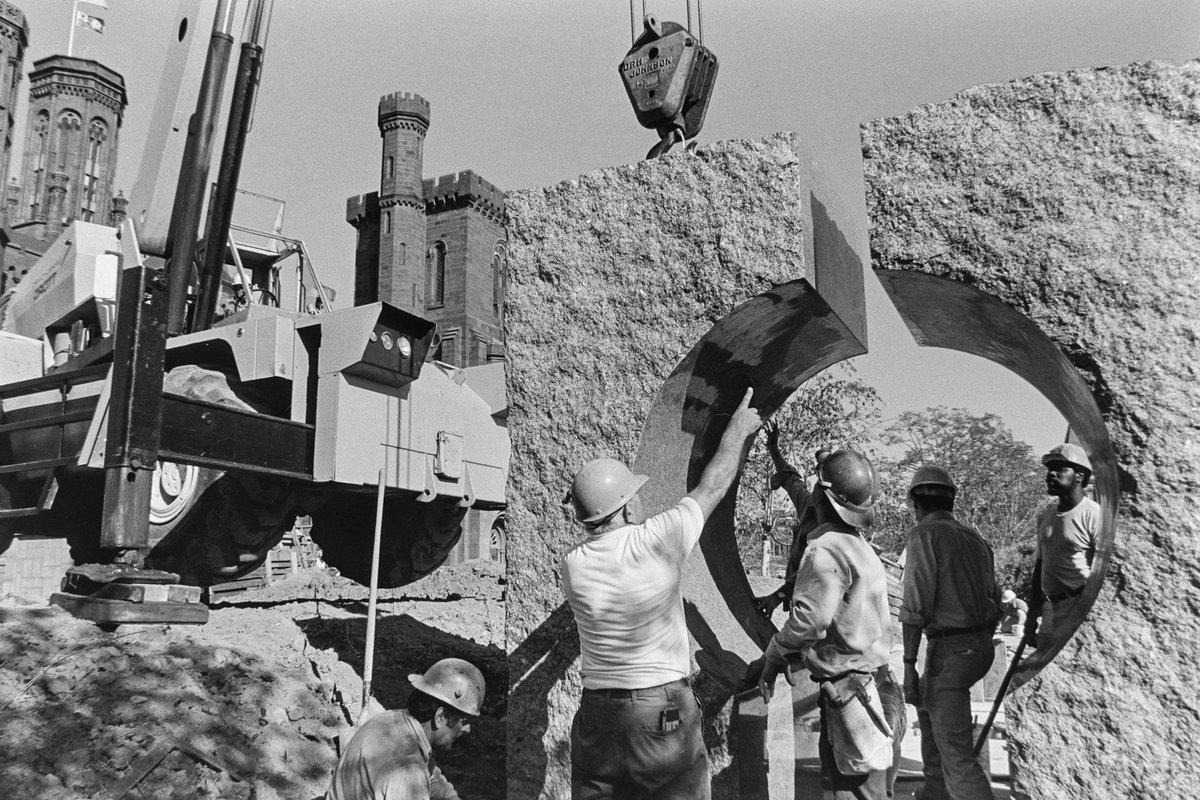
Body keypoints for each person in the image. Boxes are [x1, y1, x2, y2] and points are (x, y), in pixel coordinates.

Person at [560, 387, 763, 800]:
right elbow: (714, 484)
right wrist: (738, 430)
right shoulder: (657, 540)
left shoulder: (572, 566)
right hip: (659, 716)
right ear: (628, 508)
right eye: (636, 497)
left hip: (596, 717)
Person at [747, 448, 905, 800]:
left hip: (853, 693)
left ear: (819, 493)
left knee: (855, 793)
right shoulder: (857, 546)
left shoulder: (826, 549)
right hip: (877, 684)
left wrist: (773, 658)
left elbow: (809, 622)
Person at [899, 465, 1000, 800]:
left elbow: (915, 609)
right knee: (929, 706)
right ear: (951, 500)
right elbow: (995, 601)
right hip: (978, 647)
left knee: (958, 757)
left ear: (915, 501)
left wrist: (909, 666)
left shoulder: (923, 535)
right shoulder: (976, 539)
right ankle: (934, 791)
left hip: (952, 650)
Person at [324, 658, 485, 800]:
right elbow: (414, 776)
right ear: (440, 717)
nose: (467, 729)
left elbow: (432, 775)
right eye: (462, 721)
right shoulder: (409, 775)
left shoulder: (389, 719)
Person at [752, 419, 831, 619]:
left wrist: (778, 596)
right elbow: (789, 478)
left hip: (822, 611)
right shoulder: (810, 505)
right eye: (821, 469)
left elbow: (814, 570)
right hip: (799, 604)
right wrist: (773, 448)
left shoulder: (839, 527)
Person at [1024, 443, 1100, 648]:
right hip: (1050, 606)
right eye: (1050, 469)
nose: (1051, 474)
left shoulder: (1094, 514)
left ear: (1080, 475)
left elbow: (1104, 573)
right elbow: (1040, 567)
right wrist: (1031, 617)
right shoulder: (1046, 516)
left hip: (1077, 607)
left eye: (1060, 469)